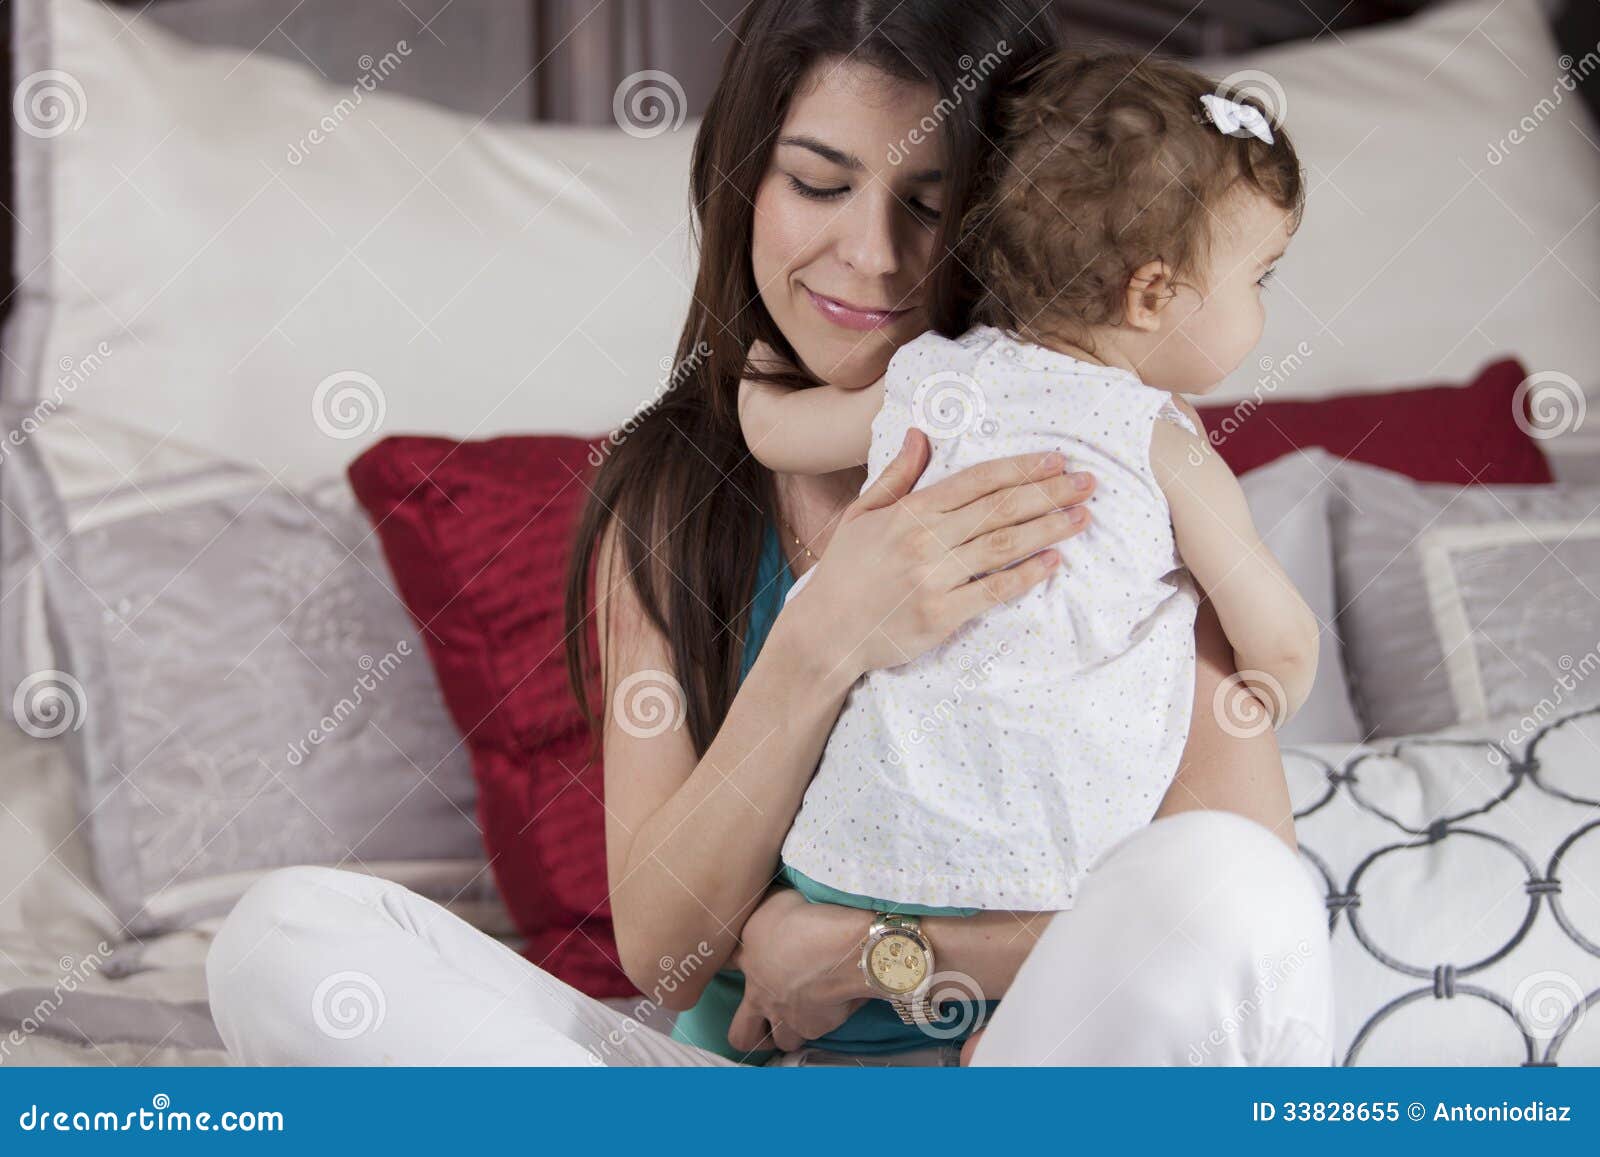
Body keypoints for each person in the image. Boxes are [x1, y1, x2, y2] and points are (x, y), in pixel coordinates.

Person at [205, 0, 1334, 1068]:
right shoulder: (672, 497)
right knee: (290, 933)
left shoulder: (1098, 480)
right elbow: (669, 953)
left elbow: (1231, 925)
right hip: (750, 1092)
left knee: (1239, 888)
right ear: (742, 176)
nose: (872, 255)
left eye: (931, 203)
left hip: (1032, 1080)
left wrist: (881, 958)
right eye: (817, 181)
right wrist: (824, 638)